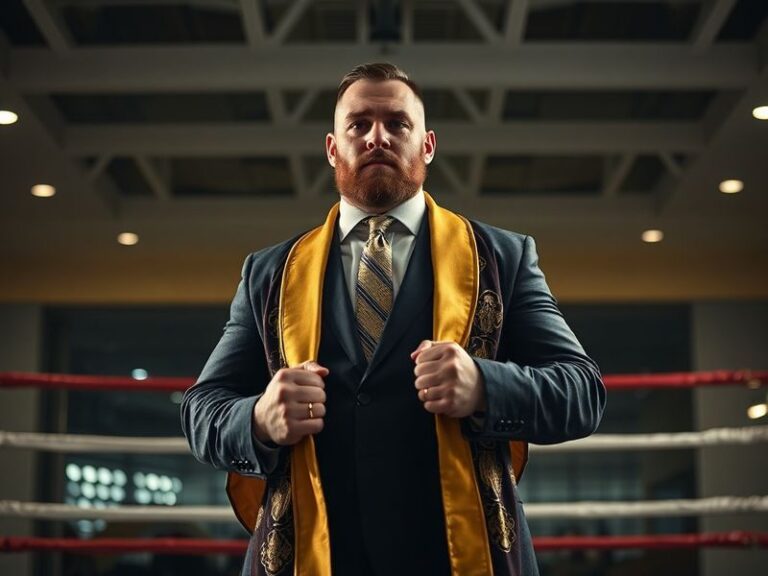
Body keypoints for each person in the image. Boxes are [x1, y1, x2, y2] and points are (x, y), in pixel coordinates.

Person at [181, 62, 606, 576]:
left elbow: (582, 392)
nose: (377, 137)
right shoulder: (269, 272)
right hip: (311, 553)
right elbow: (201, 410)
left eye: (397, 124)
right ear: (332, 149)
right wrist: (259, 419)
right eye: (358, 124)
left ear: (427, 145)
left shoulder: (502, 257)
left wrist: (484, 386)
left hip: (459, 554)